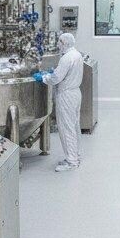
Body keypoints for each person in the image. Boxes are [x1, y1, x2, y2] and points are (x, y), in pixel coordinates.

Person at [35, 32, 84, 171]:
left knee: (66, 127)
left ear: (64, 43)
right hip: (75, 93)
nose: (57, 44)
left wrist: (44, 78)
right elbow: (64, 73)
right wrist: (54, 72)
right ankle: (75, 155)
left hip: (66, 95)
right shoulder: (76, 54)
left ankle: (71, 161)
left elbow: (56, 78)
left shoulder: (66, 58)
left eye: (59, 42)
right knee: (74, 126)